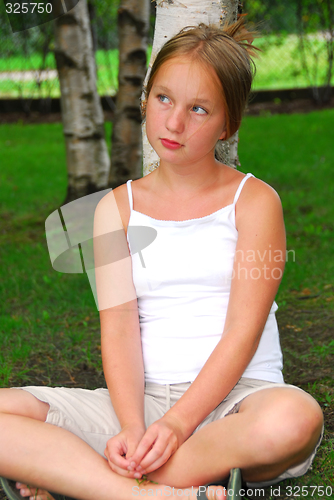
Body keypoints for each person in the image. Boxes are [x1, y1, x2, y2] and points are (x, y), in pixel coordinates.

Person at [0, 18, 324, 500]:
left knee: (295, 419)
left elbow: (242, 332)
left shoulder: (255, 202)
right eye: (164, 99)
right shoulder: (114, 209)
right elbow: (120, 325)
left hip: (237, 405)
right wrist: (132, 426)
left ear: (227, 124)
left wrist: (175, 427)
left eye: (199, 109)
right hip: (139, 402)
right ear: (145, 98)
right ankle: (151, 493)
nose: (175, 123)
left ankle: (81, 479)